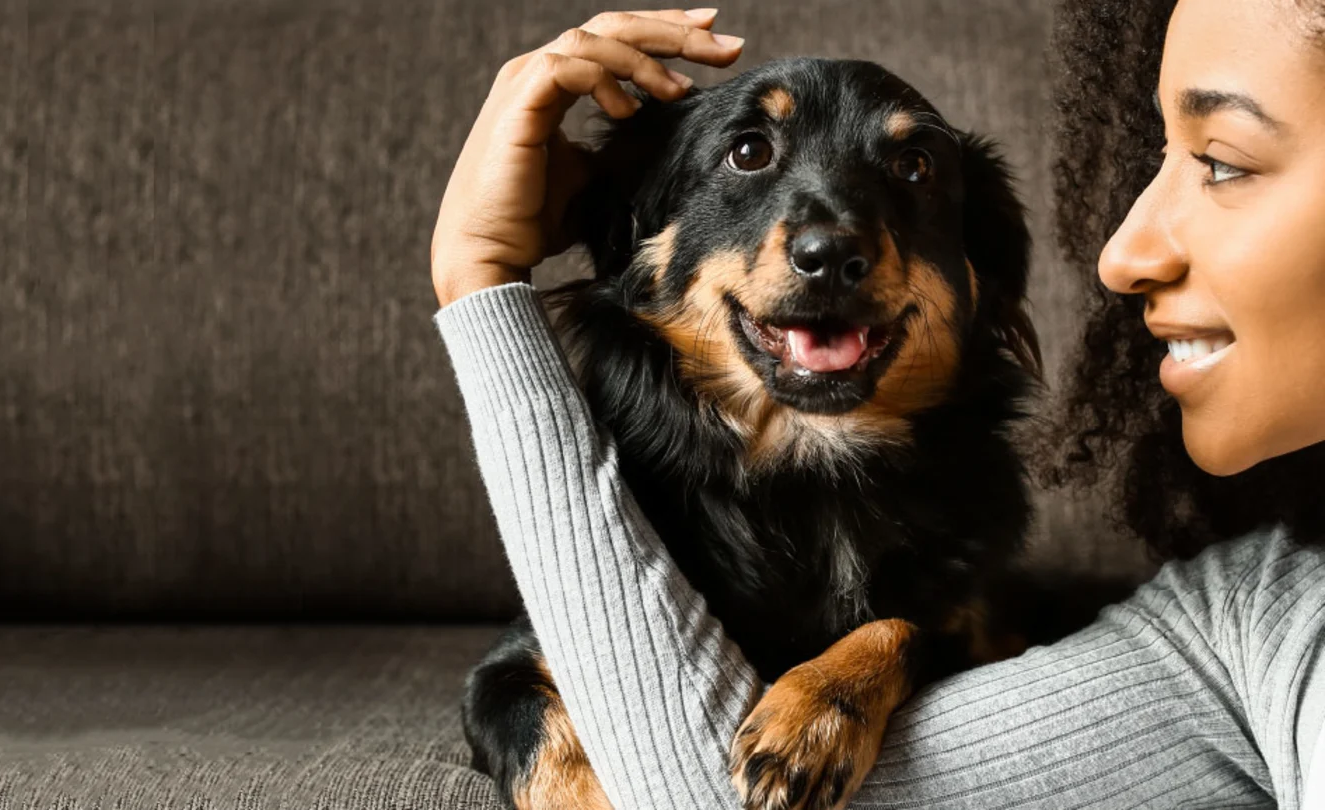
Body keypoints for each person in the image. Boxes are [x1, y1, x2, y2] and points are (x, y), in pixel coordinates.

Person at [429, 1, 1325, 808]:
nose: (1119, 254)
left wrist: (478, 281)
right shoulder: (1234, 620)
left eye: (1222, 161)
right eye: (749, 155)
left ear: (980, 286)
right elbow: (714, 795)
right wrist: (479, 275)